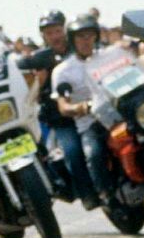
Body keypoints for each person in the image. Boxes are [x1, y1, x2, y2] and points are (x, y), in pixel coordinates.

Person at [20, 10, 97, 209]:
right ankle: (87, 194)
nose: (55, 36)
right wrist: (38, 81)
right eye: (49, 33)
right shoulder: (39, 59)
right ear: (43, 36)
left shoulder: (80, 46)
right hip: (63, 120)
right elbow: (25, 87)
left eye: (57, 30)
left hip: (93, 110)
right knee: (72, 151)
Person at [50, 13, 117, 207]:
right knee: (93, 153)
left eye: (89, 35)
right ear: (72, 39)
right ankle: (106, 195)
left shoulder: (110, 56)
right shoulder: (63, 70)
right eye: (80, 36)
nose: (85, 40)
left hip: (119, 117)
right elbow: (63, 106)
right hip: (91, 123)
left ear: (96, 36)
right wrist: (82, 107)